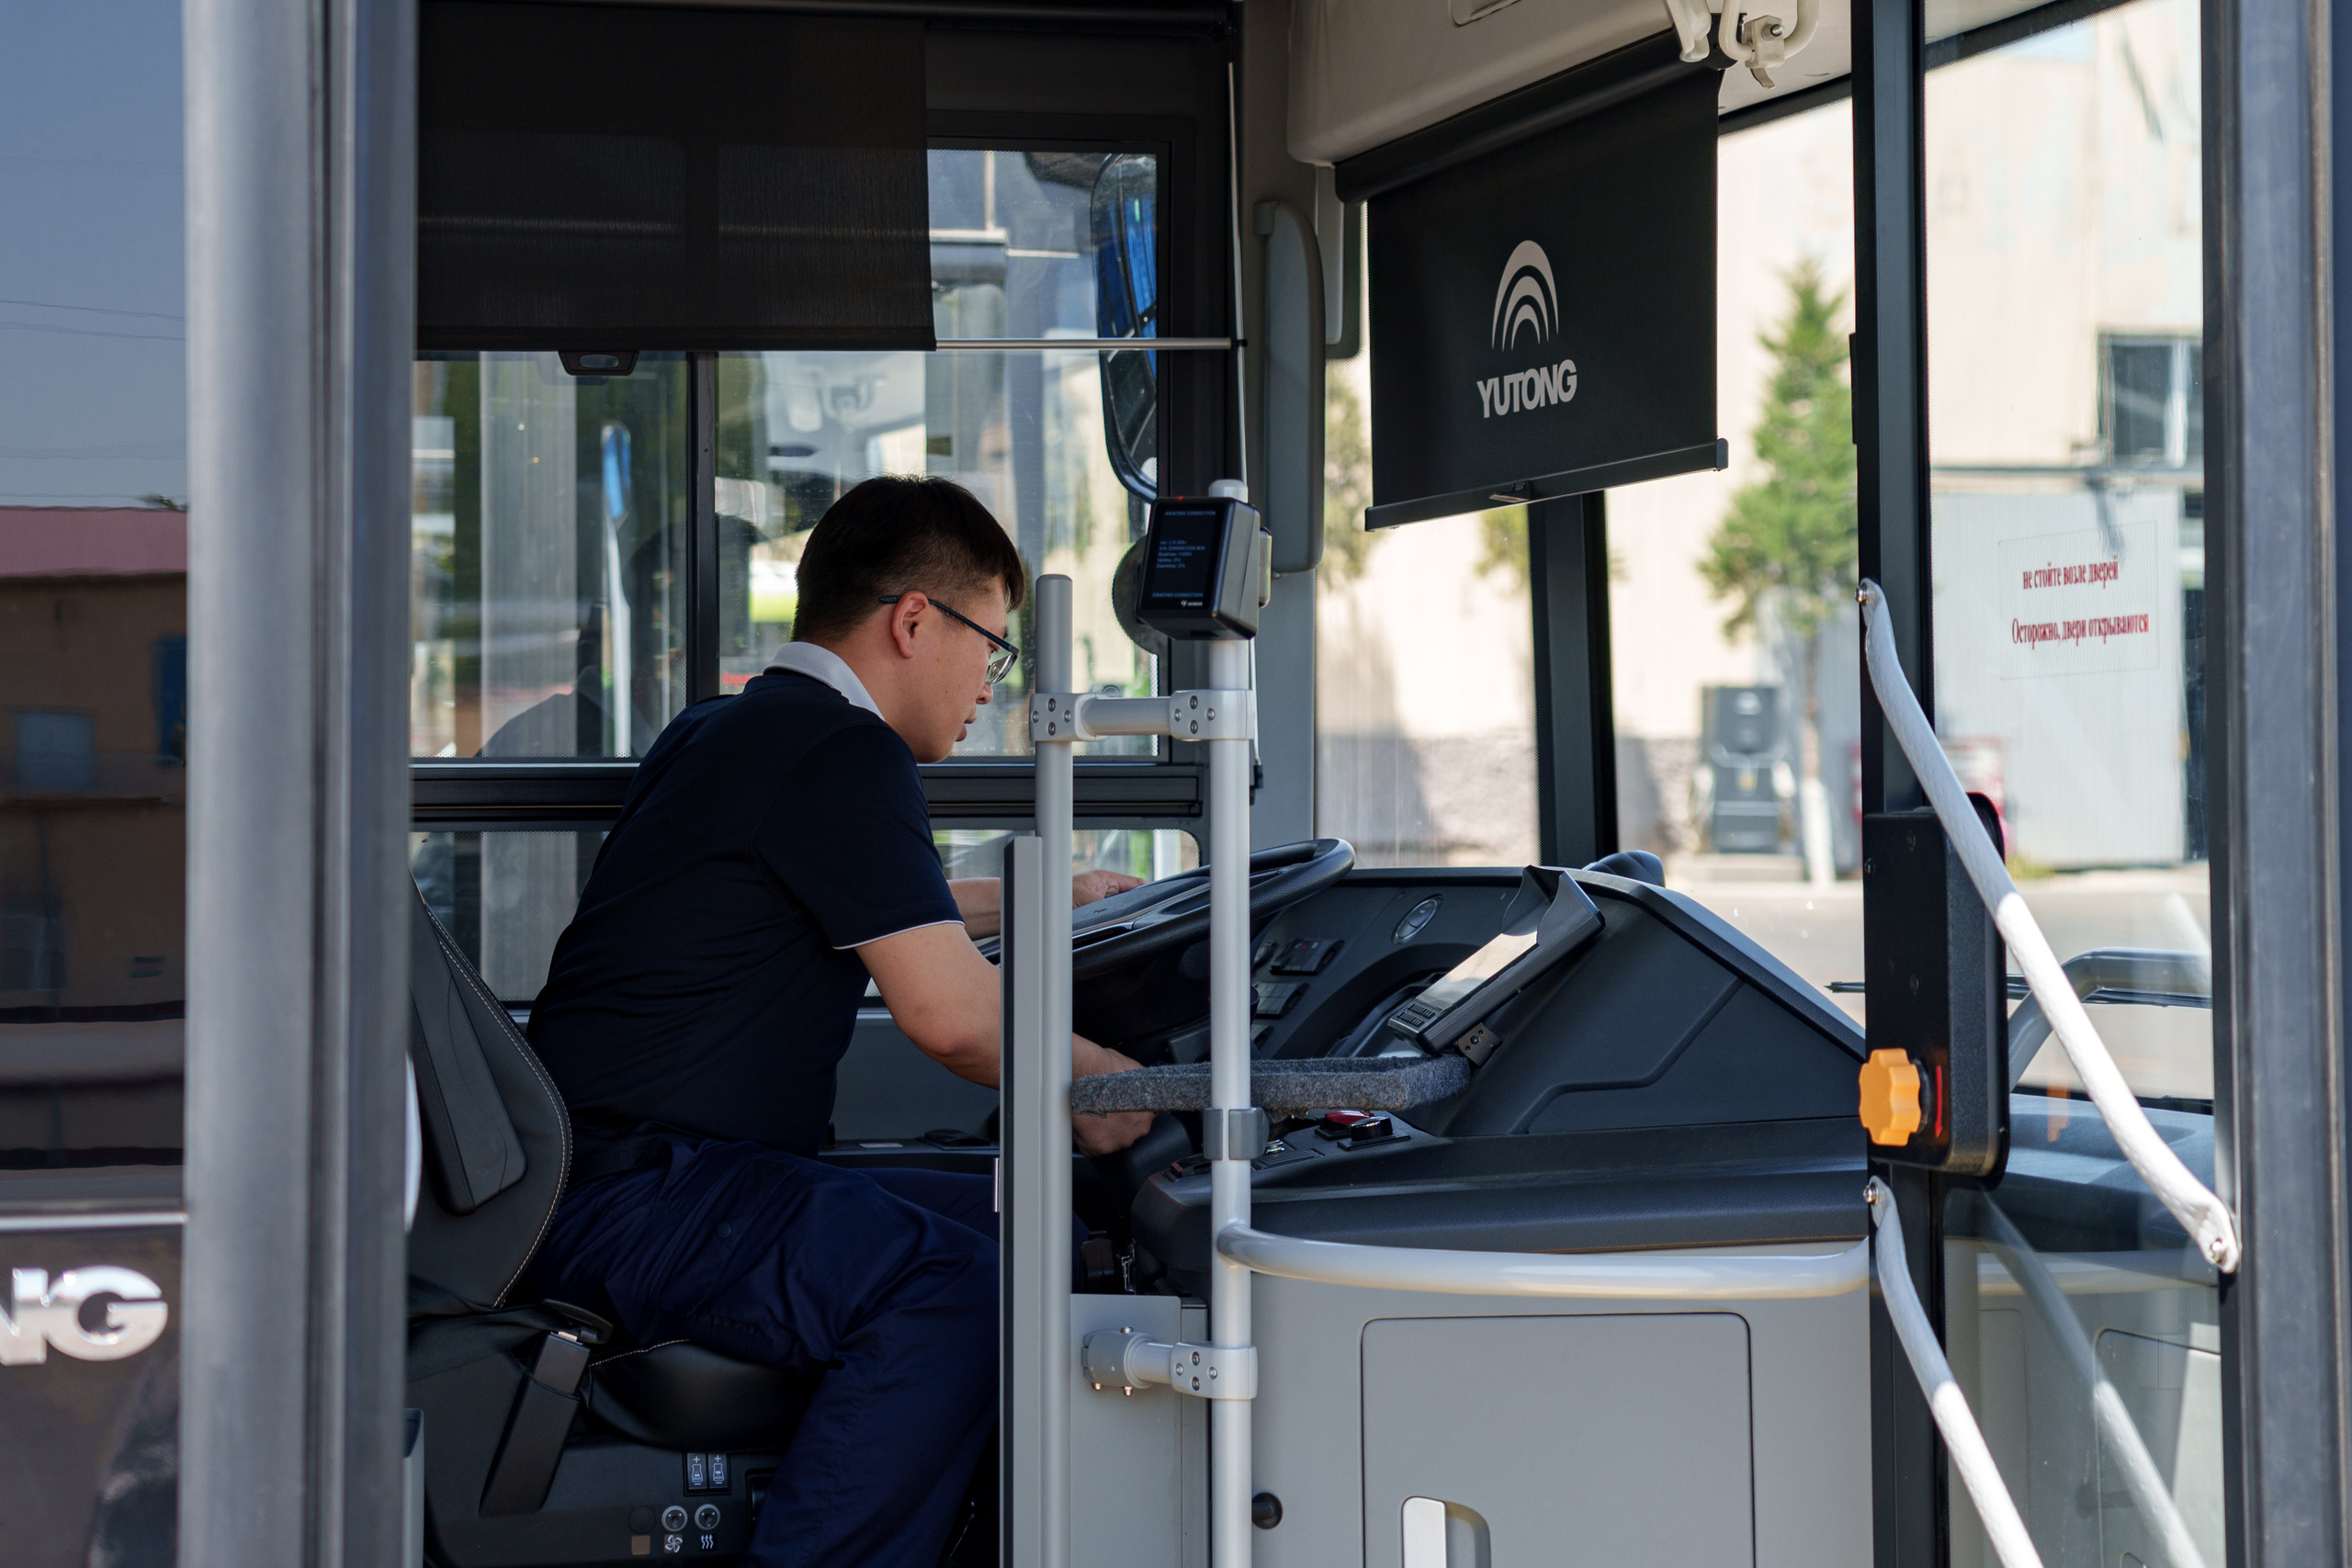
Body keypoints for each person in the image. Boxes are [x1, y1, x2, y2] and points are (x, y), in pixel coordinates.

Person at [523, 475, 1156, 1568]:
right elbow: (953, 1021)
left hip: (613, 1174)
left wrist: (1052, 896)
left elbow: (834, 891)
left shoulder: (734, 729)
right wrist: (1106, 1082)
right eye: (992, 651)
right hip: (650, 1191)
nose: (991, 691)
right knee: (954, 1287)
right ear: (915, 620)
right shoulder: (842, 753)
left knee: (1026, 1217)